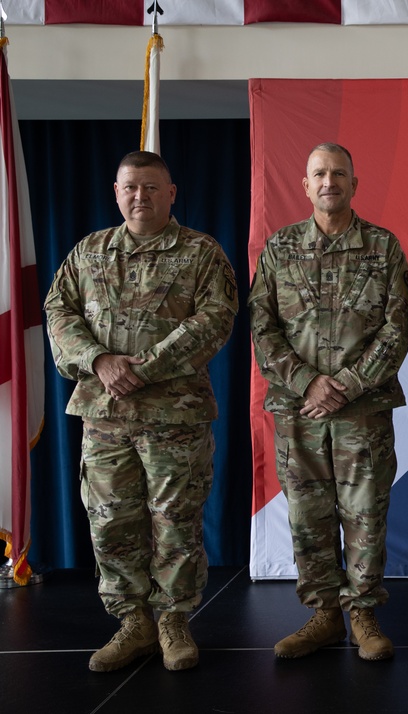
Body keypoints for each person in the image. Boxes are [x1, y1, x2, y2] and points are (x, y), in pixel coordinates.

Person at [44, 151, 238, 672]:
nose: (140, 197)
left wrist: (145, 368)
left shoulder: (201, 253)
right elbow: (57, 311)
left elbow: (215, 318)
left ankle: (173, 622)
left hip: (175, 419)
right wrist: (99, 360)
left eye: (151, 187)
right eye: (131, 187)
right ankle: (133, 623)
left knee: (175, 523)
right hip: (104, 416)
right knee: (111, 525)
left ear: (171, 193)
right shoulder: (88, 253)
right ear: (116, 191)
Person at [249, 143, 408, 662]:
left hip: (362, 411)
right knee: (307, 515)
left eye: (338, 173)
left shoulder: (383, 248)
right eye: (319, 173)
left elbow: (396, 328)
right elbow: (263, 326)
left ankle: (363, 613)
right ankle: (322, 614)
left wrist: (348, 384)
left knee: (365, 514)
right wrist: (306, 381)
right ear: (305, 185)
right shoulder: (279, 249)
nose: (329, 181)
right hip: (299, 411)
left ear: (354, 184)